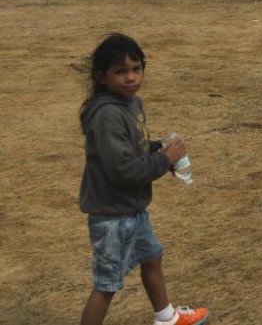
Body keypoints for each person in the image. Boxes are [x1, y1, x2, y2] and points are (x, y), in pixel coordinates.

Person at [78, 33, 209, 325]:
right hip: (112, 217)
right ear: (101, 77)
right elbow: (122, 170)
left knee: (152, 257)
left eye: (136, 69)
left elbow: (132, 150)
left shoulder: (131, 103)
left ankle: (166, 318)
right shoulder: (107, 115)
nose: (131, 78)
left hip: (132, 209)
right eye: (120, 71)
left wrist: (158, 152)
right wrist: (163, 161)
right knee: (106, 286)